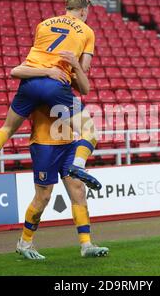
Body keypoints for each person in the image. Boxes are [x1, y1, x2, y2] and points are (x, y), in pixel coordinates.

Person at [0, 0, 101, 190]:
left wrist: (45, 70)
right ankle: (78, 166)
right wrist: (65, 68)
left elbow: (28, 62)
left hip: (30, 82)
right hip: (56, 86)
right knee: (90, 131)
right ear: (84, 10)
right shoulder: (87, 31)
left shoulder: (43, 25)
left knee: (7, 129)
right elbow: (83, 69)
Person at [12, 59, 108, 259]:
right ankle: (25, 242)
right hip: (44, 145)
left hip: (68, 144)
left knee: (78, 190)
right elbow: (17, 71)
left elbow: (84, 89)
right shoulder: (41, 76)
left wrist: (78, 68)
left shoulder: (67, 81)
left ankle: (86, 245)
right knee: (43, 198)